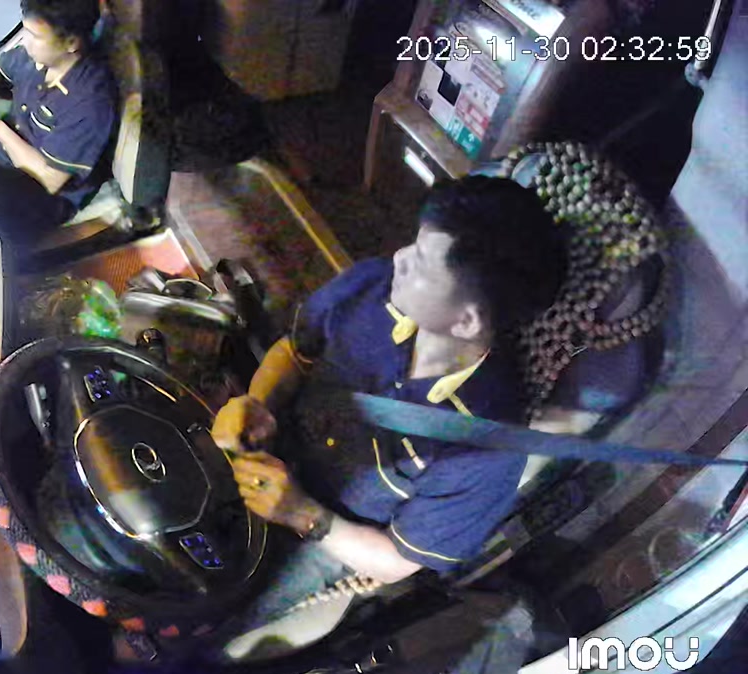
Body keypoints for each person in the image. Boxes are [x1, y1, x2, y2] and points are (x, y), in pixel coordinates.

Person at [209, 176, 567, 642]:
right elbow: (295, 352)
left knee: (218, 618)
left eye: (422, 263)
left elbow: (398, 560)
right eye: (412, 245)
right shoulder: (371, 286)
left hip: (323, 534)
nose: (399, 258)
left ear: (466, 320)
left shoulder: (485, 447)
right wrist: (258, 402)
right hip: (269, 448)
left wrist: (301, 513)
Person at [0, 0, 116, 236]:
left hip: (46, 194)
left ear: (71, 43)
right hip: (8, 155)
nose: (25, 41)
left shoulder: (90, 102)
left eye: (35, 36)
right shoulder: (38, 56)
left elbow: (50, 179)